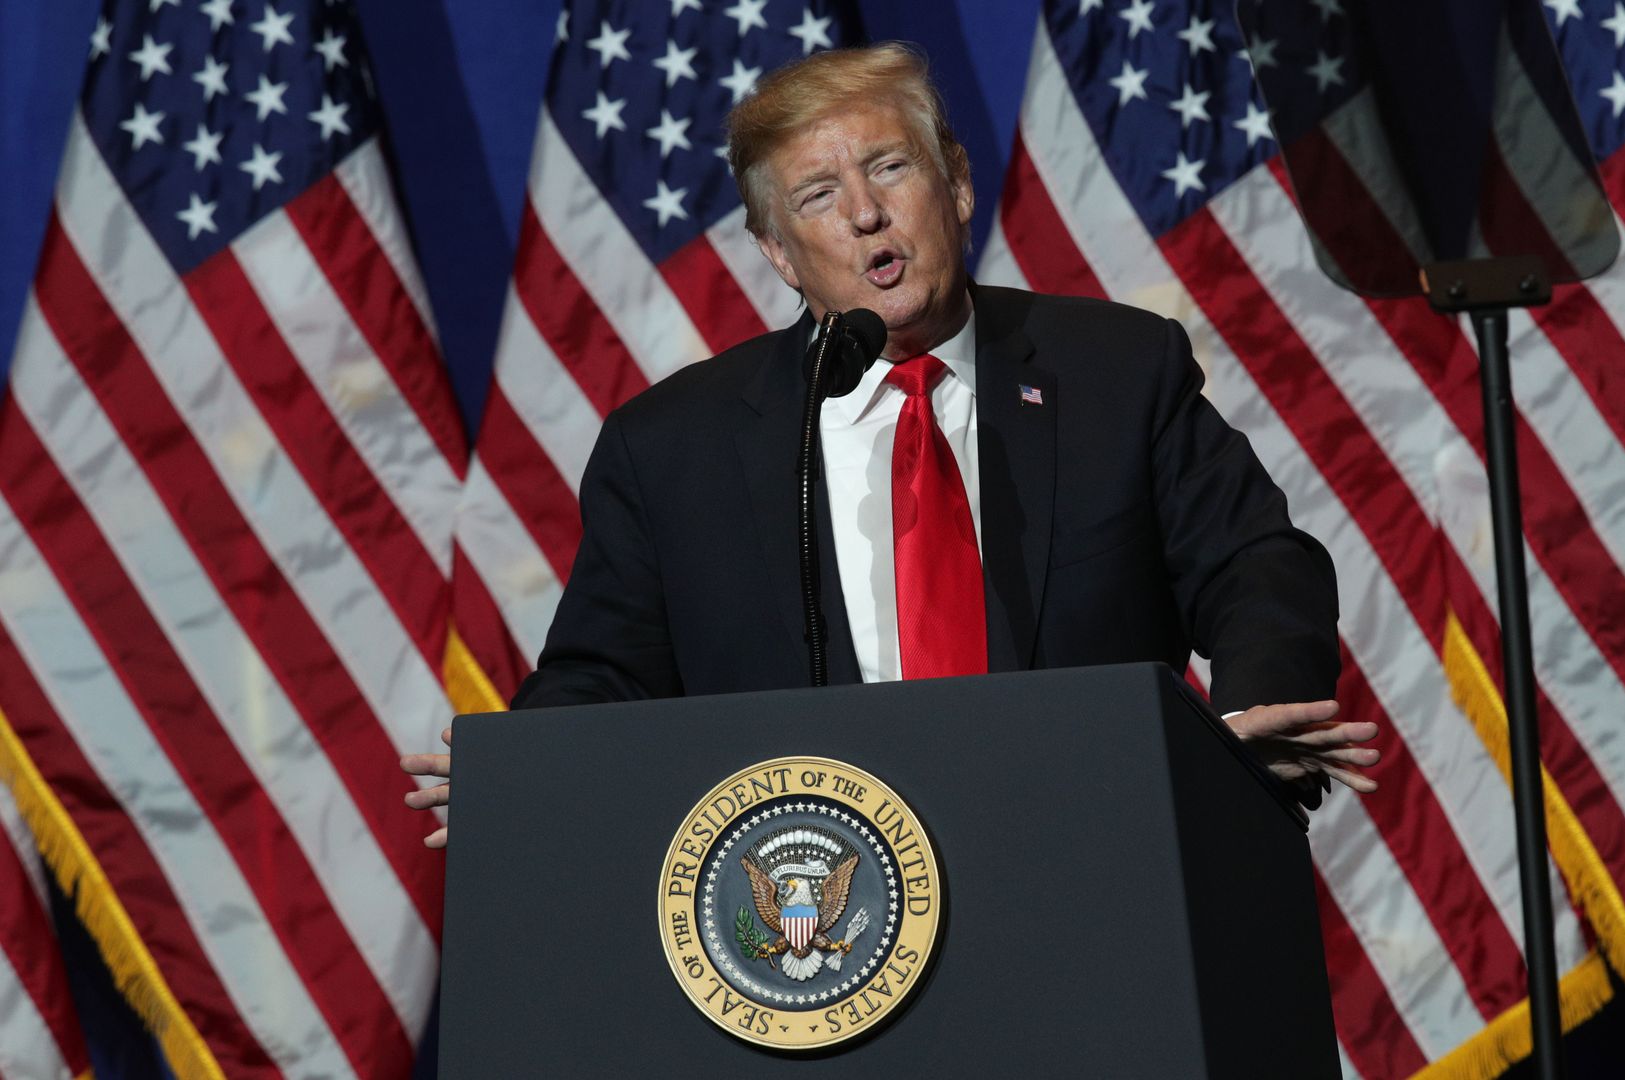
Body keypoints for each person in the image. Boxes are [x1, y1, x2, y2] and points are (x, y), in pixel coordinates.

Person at [401, 44, 1377, 847]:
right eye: (818, 194)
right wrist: (526, 782)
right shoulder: (673, 450)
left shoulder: (1113, 371)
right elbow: (604, 673)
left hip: (1096, 853)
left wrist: (1253, 713)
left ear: (953, 184)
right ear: (781, 253)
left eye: (889, 168)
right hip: (818, 916)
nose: (864, 212)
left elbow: (1255, 564)